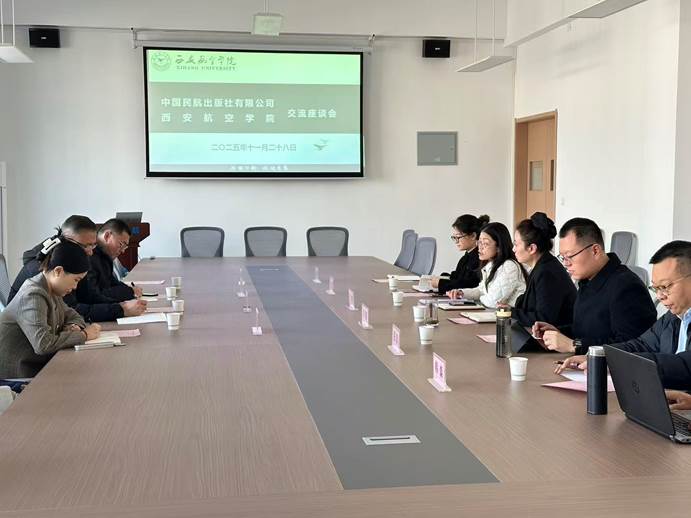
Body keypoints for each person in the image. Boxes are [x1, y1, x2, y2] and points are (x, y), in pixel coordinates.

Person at [556, 240, 691, 388]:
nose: (660, 296)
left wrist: (617, 363)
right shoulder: (672, 318)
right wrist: (599, 356)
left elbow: (684, 364)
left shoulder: (624, 284)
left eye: (665, 286)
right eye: (656, 288)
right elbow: (642, 344)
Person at [532, 218, 656, 354]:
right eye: (562, 257)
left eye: (569, 256)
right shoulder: (587, 281)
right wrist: (558, 333)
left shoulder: (627, 286)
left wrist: (574, 345)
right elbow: (586, 330)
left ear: (595, 250)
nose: (566, 263)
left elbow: (631, 346)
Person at [8, 215, 146, 321]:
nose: (91, 252)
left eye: (93, 245)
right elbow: (70, 310)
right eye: (86, 246)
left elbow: (89, 296)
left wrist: (121, 306)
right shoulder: (45, 269)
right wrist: (120, 310)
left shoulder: (74, 262)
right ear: (66, 240)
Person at [0, 240, 101, 379]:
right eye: (76, 280)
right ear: (58, 271)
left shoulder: (51, 289)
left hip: (38, 367)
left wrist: (72, 326)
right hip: (17, 378)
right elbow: (43, 344)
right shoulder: (33, 295)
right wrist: (84, 335)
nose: (75, 287)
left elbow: (74, 316)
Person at [511, 212, 576, 328]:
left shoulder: (547, 272)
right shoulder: (542, 266)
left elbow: (543, 319)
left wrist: (510, 312)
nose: (513, 249)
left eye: (516, 244)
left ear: (532, 248)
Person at [447, 222, 527, 308]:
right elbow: (481, 290)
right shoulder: (491, 265)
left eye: (485, 243)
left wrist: (479, 298)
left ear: (499, 247)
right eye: (479, 242)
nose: (480, 247)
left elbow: (493, 302)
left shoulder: (509, 266)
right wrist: (461, 293)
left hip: (508, 316)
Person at [89, 219, 143, 301]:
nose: (123, 251)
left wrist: (131, 289)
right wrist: (129, 292)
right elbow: (95, 296)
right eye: (121, 244)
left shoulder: (104, 257)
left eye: (125, 247)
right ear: (107, 236)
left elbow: (113, 282)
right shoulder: (90, 257)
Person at [432, 214, 487, 294]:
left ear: (473, 236)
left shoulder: (479, 258)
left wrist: (441, 283)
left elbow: (468, 285)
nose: (456, 242)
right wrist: (442, 278)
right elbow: (458, 278)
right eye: (454, 238)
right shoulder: (465, 257)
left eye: (458, 237)